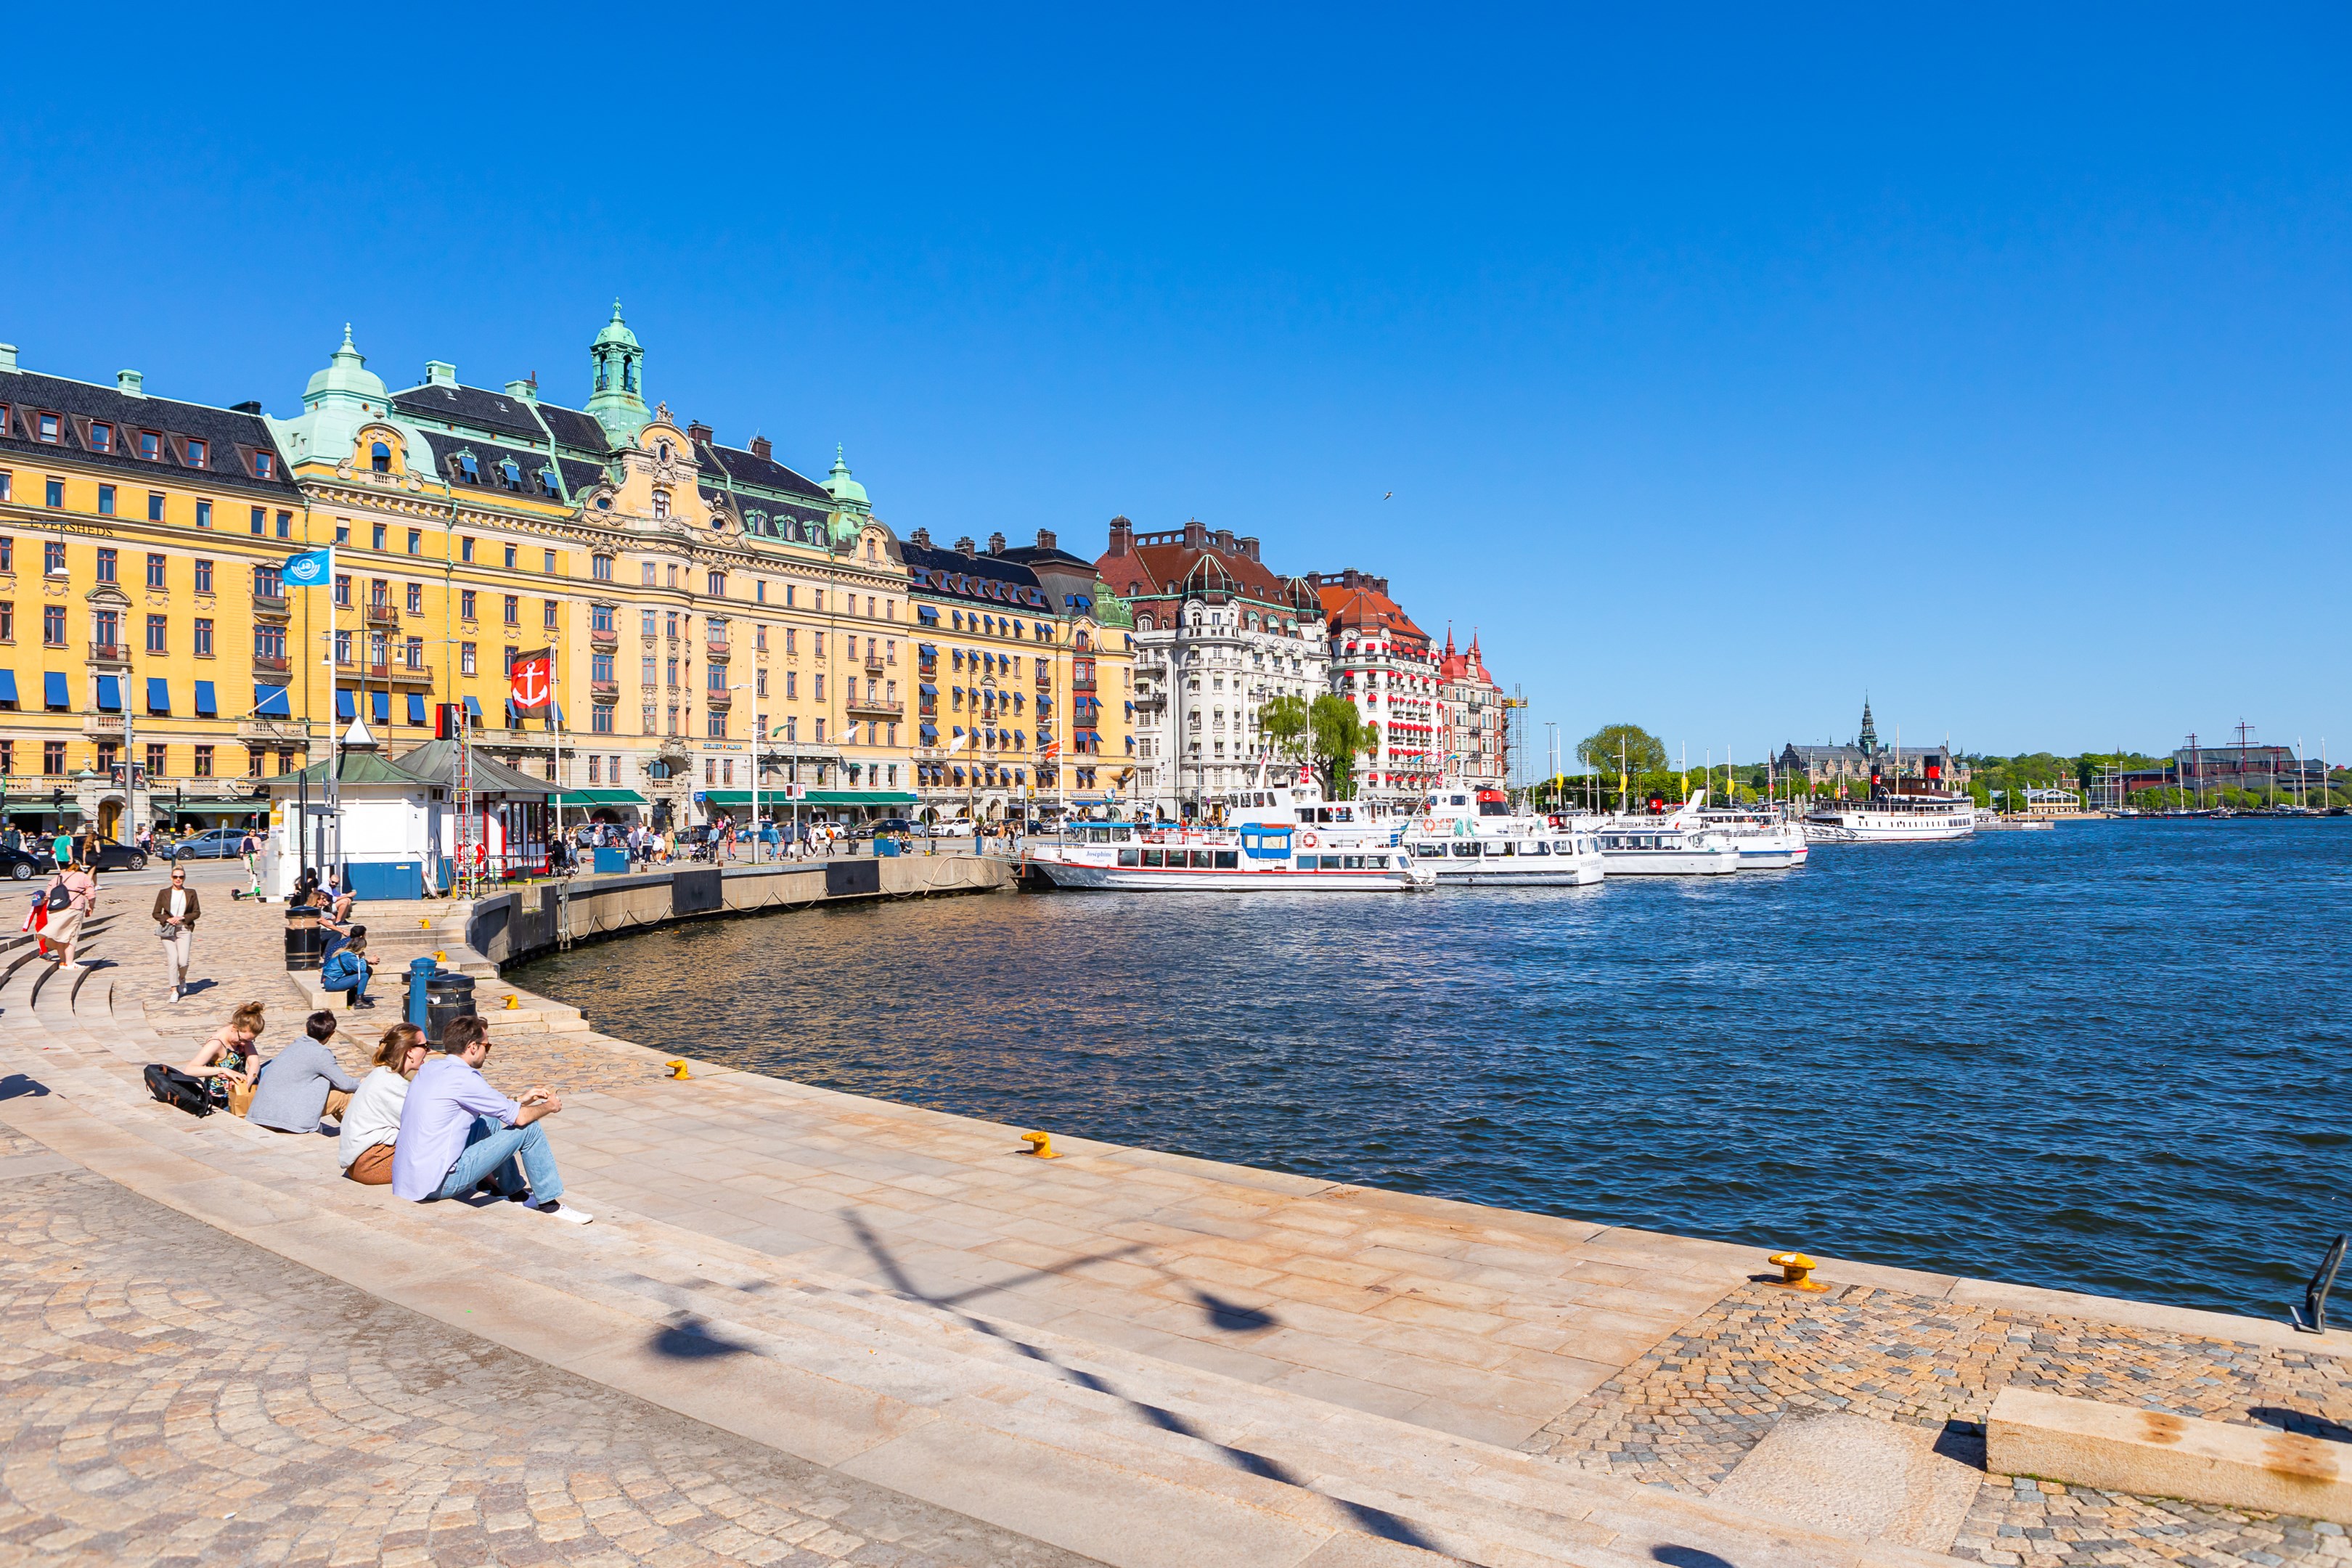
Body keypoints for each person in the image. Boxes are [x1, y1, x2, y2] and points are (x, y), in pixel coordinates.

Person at [390, 1015, 589, 1222]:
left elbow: (492, 1106)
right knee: (529, 1129)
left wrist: (521, 1099)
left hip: (409, 1180)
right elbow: (520, 1118)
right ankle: (550, 1204)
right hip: (437, 1184)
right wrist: (549, 1106)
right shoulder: (465, 1078)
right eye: (487, 1046)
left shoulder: (431, 1069)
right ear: (472, 1047)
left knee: (488, 1122)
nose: (487, 1051)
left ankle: (515, 1194)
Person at [340, 1024, 429, 1185]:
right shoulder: (390, 1083)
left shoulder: (383, 1075)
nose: (428, 1051)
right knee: (447, 1149)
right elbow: (421, 1125)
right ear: (410, 1051)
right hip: (372, 1164)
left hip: (363, 1160)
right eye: (425, 1046)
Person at [246, 1010, 359, 1134]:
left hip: (260, 1115)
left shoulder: (292, 1047)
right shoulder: (321, 1053)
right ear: (331, 1034)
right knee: (345, 1097)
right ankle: (362, 1134)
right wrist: (364, 1083)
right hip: (287, 1119)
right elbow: (345, 1084)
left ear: (306, 1029)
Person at [179, 1002, 266, 1093]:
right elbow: (189, 1071)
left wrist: (245, 1086)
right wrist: (223, 1070)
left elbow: (255, 1063)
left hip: (239, 1092)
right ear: (234, 1028)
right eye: (242, 1040)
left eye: (250, 1041)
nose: (244, 1044)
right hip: (219, 1096)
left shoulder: (243, 1037)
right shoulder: (216, 1044)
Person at [152, 862, 201, 1003]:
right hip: (168, 930)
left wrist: (182, 917)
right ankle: (174, 990)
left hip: (184, 929)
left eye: (181, 877)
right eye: (175, 877)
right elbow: (156, 913)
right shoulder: (164, 893)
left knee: (183, 962)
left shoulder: (191, 893)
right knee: (173, 959)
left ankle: (182, 978)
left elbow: (197, 912)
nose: (178, 879)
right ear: (171, 877)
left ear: (184, 878)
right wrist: (167, 919)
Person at [41, 859, 97, 971]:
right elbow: (91, 895)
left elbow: (48, 894)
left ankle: (63, 962)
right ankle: (70, 963)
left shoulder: (57, 877)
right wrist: (91, 907)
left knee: (60, 936)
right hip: (73, 907)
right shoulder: (83, 876)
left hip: (55, 909)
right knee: (71, 935)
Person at [320, 926, 375, 1008]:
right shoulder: (349, 956)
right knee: (364, 975)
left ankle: (355, 997)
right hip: (332, 983)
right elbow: (361, 969)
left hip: (331, 980)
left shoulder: (345, 953)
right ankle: (359, 1000)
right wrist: (365, 960)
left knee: (363, 973)